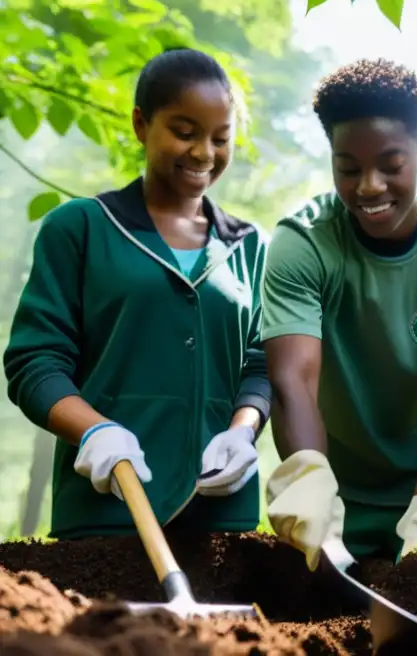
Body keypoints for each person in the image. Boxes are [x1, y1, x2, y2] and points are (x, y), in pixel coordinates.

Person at [3, 48, 270, 539]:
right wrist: (94, 430)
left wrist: (243, 430)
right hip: (105, 515)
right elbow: (34, 362)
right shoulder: (80, 228)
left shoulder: (249, 247)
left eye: (220, 138)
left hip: (220, 520)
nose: (204, 153)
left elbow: (261, 363)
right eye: (184, 132)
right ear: (141, 124)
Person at [259, 58, 417, 586]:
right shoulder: (303, 245)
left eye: (391, 164)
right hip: (340, 490)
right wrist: (307, 475)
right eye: (348, 168)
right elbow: (293, 378)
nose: (370, 186)